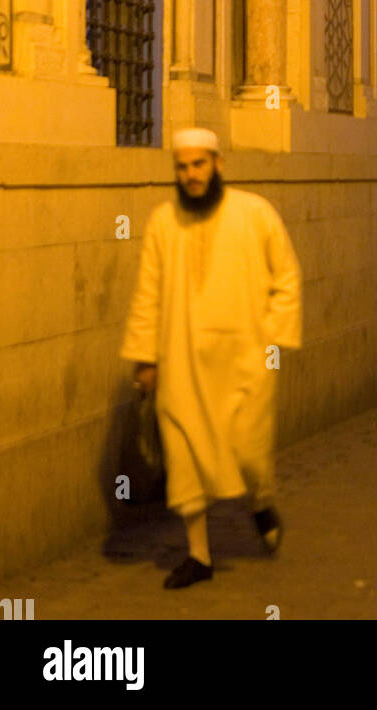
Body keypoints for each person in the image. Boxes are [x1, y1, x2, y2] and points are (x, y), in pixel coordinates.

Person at [121, 128, 302, 589]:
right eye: (182, 167)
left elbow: (286, 276)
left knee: (248, 453)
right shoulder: (165, 222)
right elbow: (148, 292)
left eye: (199, 165)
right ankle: (198, 555)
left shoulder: (255, 213)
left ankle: (260, 503)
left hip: (244, 360)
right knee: (185, 461)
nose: (191, 175)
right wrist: (146, 357)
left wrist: (275, 340)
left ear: (218, 164)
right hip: (181, 362)